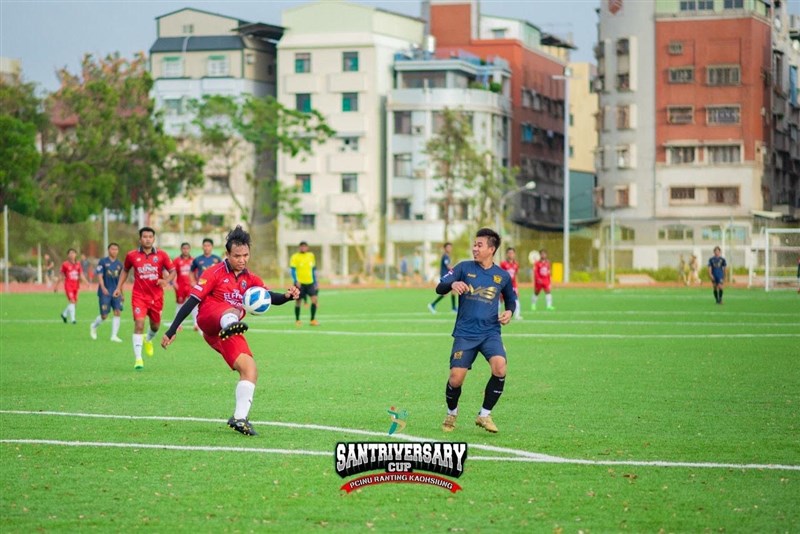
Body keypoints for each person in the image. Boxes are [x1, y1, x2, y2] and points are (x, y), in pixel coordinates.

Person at [161, 226, 300, 436]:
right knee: (231, 311)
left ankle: (239, 418)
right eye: (237, 256)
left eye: (245, 255)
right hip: (209, 321)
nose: (242, 260)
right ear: (227, 254)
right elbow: (192, 301)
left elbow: (269, 296)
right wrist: (172, 329)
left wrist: (287, 297)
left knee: (250, 369)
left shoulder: (251, 280)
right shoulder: (213, 273)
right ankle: (230, 321)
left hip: (230, 331)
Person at [436, 228, 516, 434]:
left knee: (500, 367)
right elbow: (440, 286)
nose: (475, 248)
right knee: (456, 378)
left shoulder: (502, 276)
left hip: (490, 332)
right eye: (474, 244)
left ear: (492, 249)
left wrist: (509, 311)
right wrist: (453, 283)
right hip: (465, 333)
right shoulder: (463, 267)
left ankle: (484, 415)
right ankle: (451, 412)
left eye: (479, 245)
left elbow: (510, 298)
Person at [113, 227, 176, 370]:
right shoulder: (132, 255)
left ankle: (148, 340)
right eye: (145, 236)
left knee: (155, 326)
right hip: (139, 297)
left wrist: (166, 281)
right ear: (140, 239)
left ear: (154, 239)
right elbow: (125, 270)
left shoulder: (162, 255)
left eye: (150, 236)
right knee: (139, 324)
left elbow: (172, 271)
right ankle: (138, 359)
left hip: (157, 297)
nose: (147, 239)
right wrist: (118, 288)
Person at [89, 242, 124, 342]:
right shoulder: (103, 262)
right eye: (112, 249)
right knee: (104, 316)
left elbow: (121, 280)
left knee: (117, 312)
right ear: (108, 250)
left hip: (116, 292)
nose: (114, 251)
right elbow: (99, 275)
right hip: (105, 292)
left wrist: (122, 293)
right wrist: (103, 287)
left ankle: (114, 336)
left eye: (116, 249)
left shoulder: (119, 264)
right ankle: (94, 326)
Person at [189, 238, 222, 331]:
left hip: (213, 287)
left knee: (213, 303)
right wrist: (192, 281)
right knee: (196, 302)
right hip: (201, 285)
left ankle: (214, 321)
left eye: (208, 246)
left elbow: (222, 272)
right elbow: (191, 271)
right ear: (202, 247)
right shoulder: (197, 259)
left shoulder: (217, 259)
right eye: (205, 246)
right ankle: (196, 323)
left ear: (212, 247)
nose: (206, 248)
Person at [54, 248, 89, 324]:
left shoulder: (78, 264)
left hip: (76, 285)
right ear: (68, 255)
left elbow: (81, 275)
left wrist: (86, 282)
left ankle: (64, 314)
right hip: (68, 285)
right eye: (70, 253)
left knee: (74, 303)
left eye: (73, 253)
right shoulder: (65, 264)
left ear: (76, 254)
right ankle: (73, 320)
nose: (72, 255)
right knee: (72, 301)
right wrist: (56, 286)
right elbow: (61, 276)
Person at [290, 241, 319, 326]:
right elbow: (292, 270)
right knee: (298, 302)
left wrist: (315, 282)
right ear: (299, 247)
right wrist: (296, 280)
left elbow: (313, 270)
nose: (303, 248)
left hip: (310, 283)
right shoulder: (295, 257)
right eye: (301, 246)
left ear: (307, 247)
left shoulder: (311, 256)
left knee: (314, 300)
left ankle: (312, 320)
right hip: (300, 284)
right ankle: (297, 320)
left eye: (304, 246)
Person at [428, 242, 457, 314]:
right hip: (445, 277)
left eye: (450, 247)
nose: (450, 249)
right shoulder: (445, 256)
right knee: (446, 293)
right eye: (448, 247)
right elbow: (448, 266)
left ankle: (453, 308)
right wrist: (456, 270)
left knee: (453, 290)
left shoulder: (447, 256)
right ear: (445, 248)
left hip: (448, 276)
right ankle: (432, 304)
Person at [172, 242, 194, 330]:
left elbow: (195, 273)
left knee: (193, 305)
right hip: (180, 286)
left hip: (190, 286)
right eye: (184, 248)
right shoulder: (177, 260)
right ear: (181, 249)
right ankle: (177, 324)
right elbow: (173, 272)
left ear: (189, 249)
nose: (185, 250)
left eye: (187, 248)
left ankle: (196, 324)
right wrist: (174, 283)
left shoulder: (193, 260)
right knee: (179, 305)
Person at [499, 247, 523, 320]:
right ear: (507, 254)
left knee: (516, 300)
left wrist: (517, 287)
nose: (510, 255)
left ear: (514, 254)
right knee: (499, 301)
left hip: (513, 286)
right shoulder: (503, 264)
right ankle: (495, 315)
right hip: (504, 285)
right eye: (509, 253)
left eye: (512, 253)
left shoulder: (516, 264)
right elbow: (500, 275)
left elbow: (516, 275)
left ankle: (517, 315)